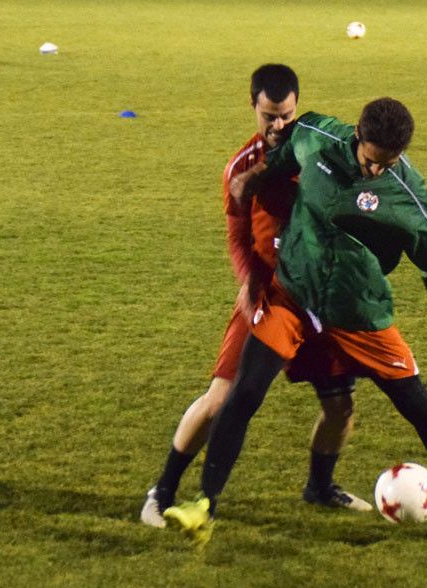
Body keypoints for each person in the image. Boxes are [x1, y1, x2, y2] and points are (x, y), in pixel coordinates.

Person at [162, 97, 427, 549]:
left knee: (420, 408)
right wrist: (258, 175)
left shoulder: (408, 193)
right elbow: (288, 146)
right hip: (292, 295)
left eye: (388, 164)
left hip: (357, 311)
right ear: (357, 136)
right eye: (371, 161)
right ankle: (203, 507)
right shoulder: (318, 137)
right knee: (245, 393)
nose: (376, 172)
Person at [140, 64, 371, 529]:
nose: (277, 126)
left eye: (285, 115)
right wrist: (247, 281)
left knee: (340, 407)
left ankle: (320, 488)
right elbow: (237, 236)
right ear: (253, 106)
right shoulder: (241, 167)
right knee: (220, 399)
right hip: (266, 293)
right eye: (268, 116)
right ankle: (161, 492)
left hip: (319, 296)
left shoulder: (320, 154)